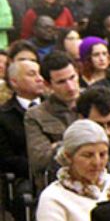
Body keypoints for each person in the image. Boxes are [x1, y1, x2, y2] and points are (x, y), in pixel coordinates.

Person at [0, 58, 46, 221]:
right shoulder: (4, 116)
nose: (39, 78)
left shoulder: (52, 108)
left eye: (39, 73)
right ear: (14, 82)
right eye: (31, 74)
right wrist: (34, 166)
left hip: (56, 170)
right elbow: (5, 158)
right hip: (24, 175)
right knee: (24, 195)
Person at [26, 51, 81, 188]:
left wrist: (57, 145)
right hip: (58, 183)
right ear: (48, 85)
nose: (70, 87)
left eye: (72, 77)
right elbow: (40, 160)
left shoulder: (94, 101)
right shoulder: (36, 115)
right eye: (61, 82)